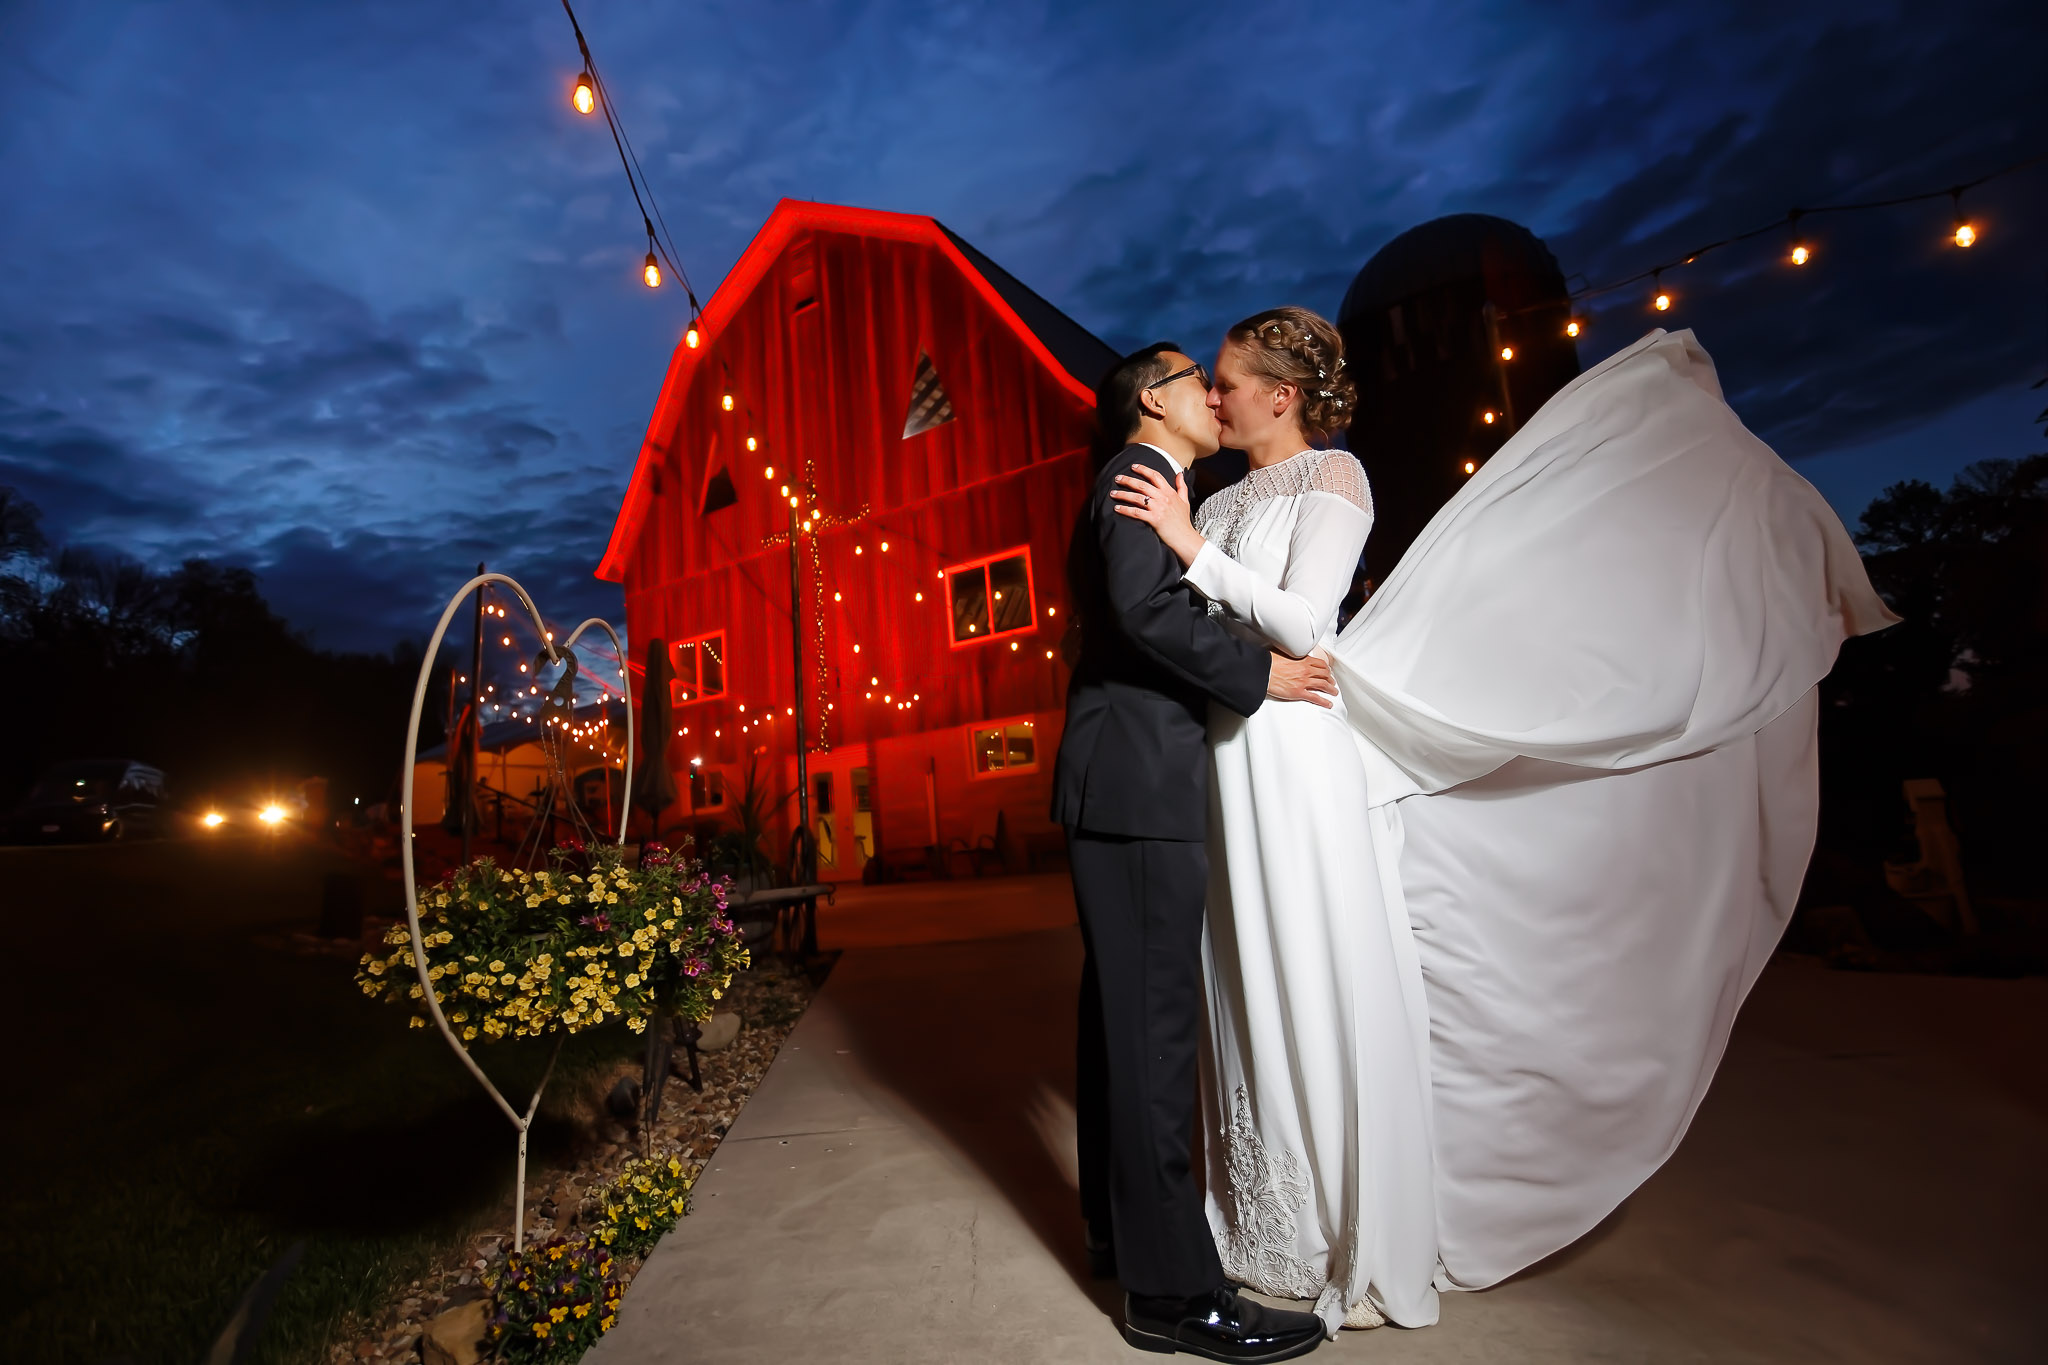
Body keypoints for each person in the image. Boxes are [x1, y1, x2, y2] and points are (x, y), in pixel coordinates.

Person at [1111, 311, 1894, 1335]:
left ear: (1279, 396)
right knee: (1239, 971)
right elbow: (1191, 626)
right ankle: (1258, 1222)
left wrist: (1184, 549)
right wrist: (1178, 545)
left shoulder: (1334, 481)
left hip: (1295, 752)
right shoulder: (1216, 499)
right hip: (1223, 751)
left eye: (1224, 382)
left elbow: (1304, 623)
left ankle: (1335, 1227)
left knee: (1305, 963)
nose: (1211, 399)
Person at [1052, 341, 1336, 1361]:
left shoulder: (1149, 485)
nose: (1214, 399)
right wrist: (1258, 673)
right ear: (1148, 403)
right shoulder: (1142, 476)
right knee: (1153, 1038)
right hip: (1134, 788)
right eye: (1194, 385)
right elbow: (1138, 612)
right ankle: (1171, 1298)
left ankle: (1117, 1237)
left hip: (1119, 783)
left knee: (1119, 1027)